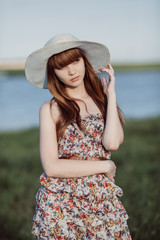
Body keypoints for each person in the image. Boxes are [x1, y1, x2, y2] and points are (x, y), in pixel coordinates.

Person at [25, 33, 131, 239]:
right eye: (61, 66)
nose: (71, 70)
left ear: (84, 61)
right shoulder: (50, 109)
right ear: (53, 72)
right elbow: (52, 167)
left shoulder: (102, 100)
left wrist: (111, 95)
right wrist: (105, 166)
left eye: (75, 60)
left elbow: (112, 143)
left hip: (101, 197)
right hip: (60, 201)